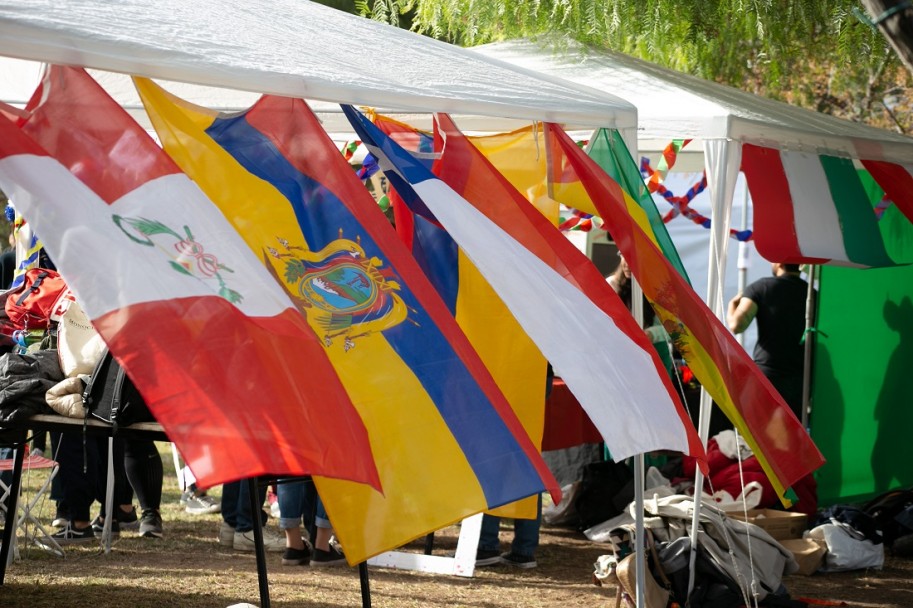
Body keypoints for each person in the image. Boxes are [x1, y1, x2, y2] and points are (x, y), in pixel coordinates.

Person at [475, 365, 553, 569]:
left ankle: (485, 545)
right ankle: (524, 550)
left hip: (503, 368)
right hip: (537, 372)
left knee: (489, 459)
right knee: (526, 462)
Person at [727, 262, 811, 420]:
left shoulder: (760, 287)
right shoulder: (812, 293)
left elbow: (736, 325)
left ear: (778, 263)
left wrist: (732, 305)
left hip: (768, 375)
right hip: (800, 379)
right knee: (793, 437)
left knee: (762, 435)